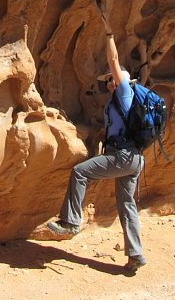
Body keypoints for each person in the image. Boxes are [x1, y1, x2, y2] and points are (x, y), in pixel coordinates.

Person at [47, 14, 147, 273]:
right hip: (131, 159)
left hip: (124, 158)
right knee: (126, 204)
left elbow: (114, 60)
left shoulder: (125, 93)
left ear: (118, 81)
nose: (108, 83)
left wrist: (109, 34)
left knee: (80, 172)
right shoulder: (120, 102)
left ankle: (70, 222)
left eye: (110, 80)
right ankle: (135, 255)